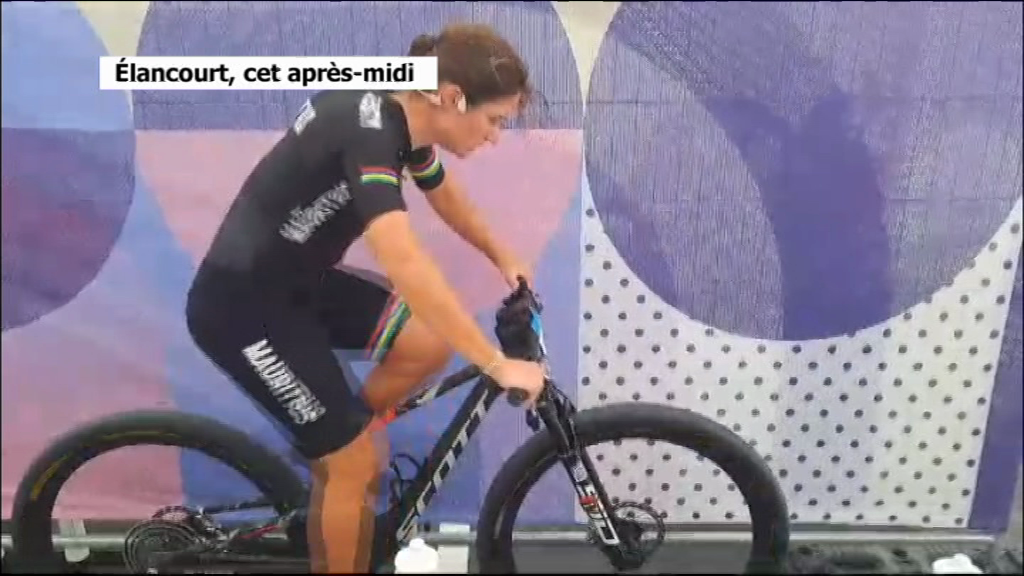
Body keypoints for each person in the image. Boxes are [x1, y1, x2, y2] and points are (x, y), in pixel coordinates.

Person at [184, 23, 545, 574]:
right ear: (452, 98)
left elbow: (439, 188)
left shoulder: (402, 114)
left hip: (298, 283)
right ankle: (341, 460)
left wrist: (502, 254)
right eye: (494, 120)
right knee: (357, 464)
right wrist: (495, 363)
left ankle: (333, 449)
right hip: (241, 308)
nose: (495, 137)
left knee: (425, 345)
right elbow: (404, 260)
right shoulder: (369, 134)